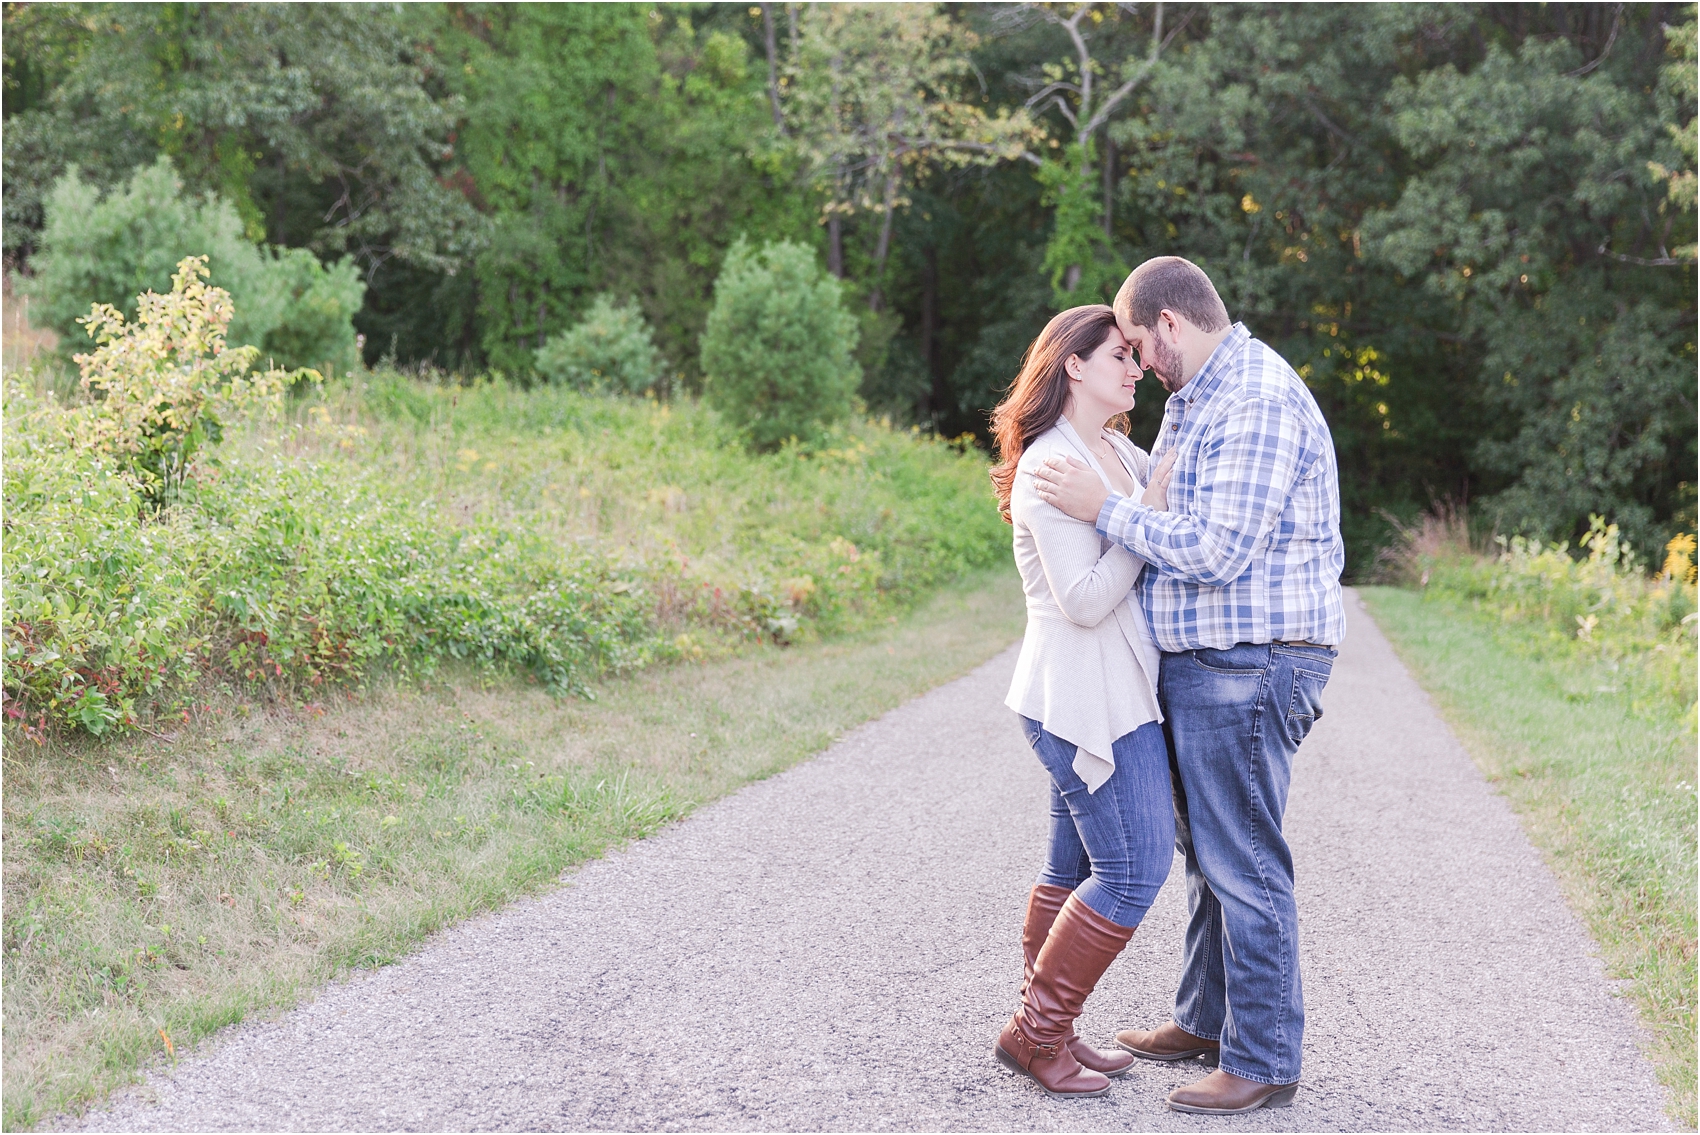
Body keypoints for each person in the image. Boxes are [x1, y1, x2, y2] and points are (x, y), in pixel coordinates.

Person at [1032, 257, 1345, 1115]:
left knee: (1242, 860)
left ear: (1169, 325)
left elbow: (1214, 549)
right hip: (1213, 665)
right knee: (1209, 856)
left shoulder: (1255, 399)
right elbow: (1161, 508)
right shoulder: (1196, 399)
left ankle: (1265, 1058)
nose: (1135, 364)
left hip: (1253, 662)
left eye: (1137, 344)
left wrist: (1102, 508)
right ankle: (1205, 1021)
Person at [987, 304, 1182, 1099]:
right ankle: (1035, 1035)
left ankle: (1049, 1028)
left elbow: (1147, 510)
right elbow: (1084, 597)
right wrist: (1144, 523)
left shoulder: (1115, 452)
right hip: (1077, 696)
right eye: (1120, 357)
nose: (1136, 370)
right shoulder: (1049, 465)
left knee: (1072, 866)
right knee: (1137, 866)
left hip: (1116, 685)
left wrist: (1135, 512)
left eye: (1136, 358)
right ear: (1072, 365)